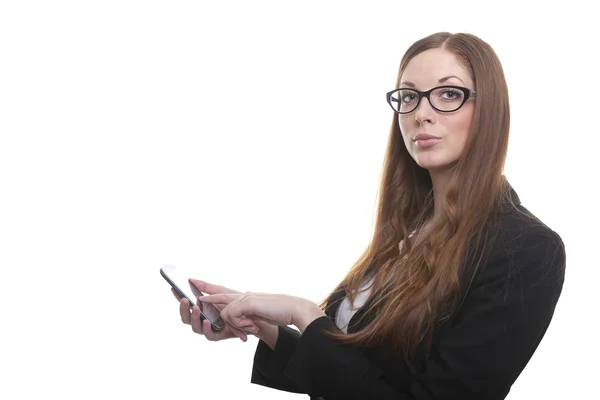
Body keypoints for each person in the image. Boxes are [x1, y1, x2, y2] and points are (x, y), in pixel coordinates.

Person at [172, 32, 566, 400]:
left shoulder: (527, 249)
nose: (421, 114)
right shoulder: (410, 227)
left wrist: (305, 314)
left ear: (490, 110)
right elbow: (364, 370)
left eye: (448, 94)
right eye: (409, 97)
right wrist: (270, 331)